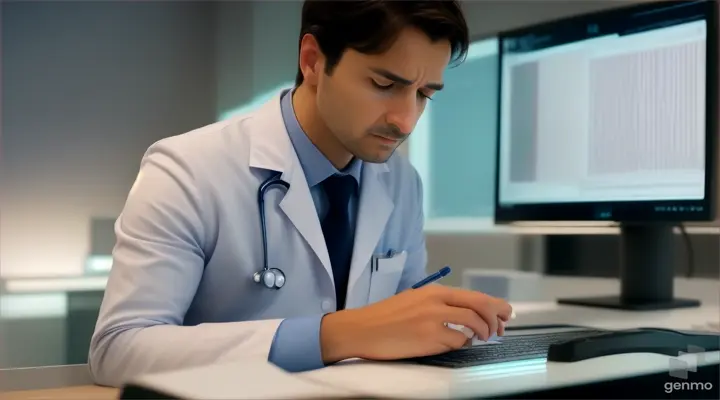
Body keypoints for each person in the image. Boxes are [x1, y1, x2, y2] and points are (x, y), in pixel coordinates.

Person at [88, 0, 513, 387]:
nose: (405, 121)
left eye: (423, 95)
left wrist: (446, 322)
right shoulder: (187, 170)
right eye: (384, 84)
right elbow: (118, 350)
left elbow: (401, 330)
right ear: (312, 61)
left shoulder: (401, 182)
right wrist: (339, 333)